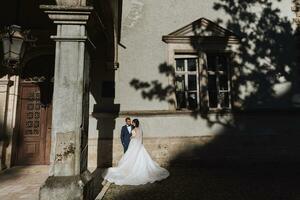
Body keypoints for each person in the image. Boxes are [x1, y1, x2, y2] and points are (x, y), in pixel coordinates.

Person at [102, 119, 169, 185]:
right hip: (138, 144)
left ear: (136, 123)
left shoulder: (135, 129)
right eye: (132, 122)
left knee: (132, 156)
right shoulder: (140, 129)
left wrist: (131, 137)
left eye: (133, 122)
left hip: (134, 144)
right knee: (136, 156)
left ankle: (131, 170)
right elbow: (140, 138)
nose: (132, 123)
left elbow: (135, 137)